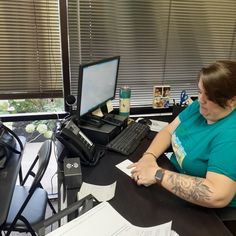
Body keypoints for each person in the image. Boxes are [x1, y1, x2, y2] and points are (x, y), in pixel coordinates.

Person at [129, 60, 236, 208]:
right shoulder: (200, 107)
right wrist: (149, 157)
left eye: (209, 96)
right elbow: (168, 131)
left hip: (207, 210)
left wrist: (157, 174)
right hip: (174, 177)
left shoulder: (231, 135)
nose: (200, 99)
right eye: (199, 91)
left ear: (232, 101)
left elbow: (217, 195)